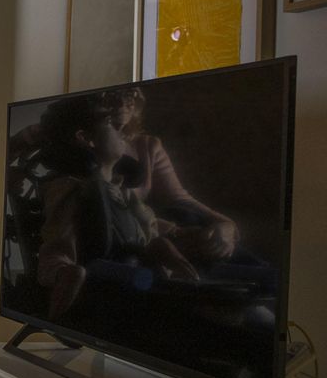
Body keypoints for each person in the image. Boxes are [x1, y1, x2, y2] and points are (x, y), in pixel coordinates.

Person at [36, 92, 198, 319]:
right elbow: (59, 241)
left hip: (137, 264)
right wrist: (62, 272)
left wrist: (173, 235)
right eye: (111, 125)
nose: (122, 132)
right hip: (105, 277)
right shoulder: (71, 189)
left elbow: (145, 225)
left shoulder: (122, 191)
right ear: (85, 138)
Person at [111, 87, 240, 264]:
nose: (125, 102)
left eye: (130, 94)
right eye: (114, 95)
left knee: (189, 216)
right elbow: (110, 216)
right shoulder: (90, 149)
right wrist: (175, 231)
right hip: (133, 242)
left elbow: (180, 199)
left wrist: (226, 225)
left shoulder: (147, 145)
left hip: (166, 234)